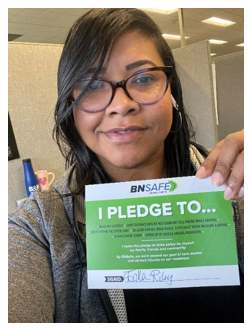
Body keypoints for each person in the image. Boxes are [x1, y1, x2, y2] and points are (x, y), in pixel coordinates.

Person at [8, 8, 244, 323]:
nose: (122, 104)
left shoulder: (235, 192)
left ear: (171, 89)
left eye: (144, 78)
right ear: (71, 105)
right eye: (92, 85)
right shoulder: (39, 228)